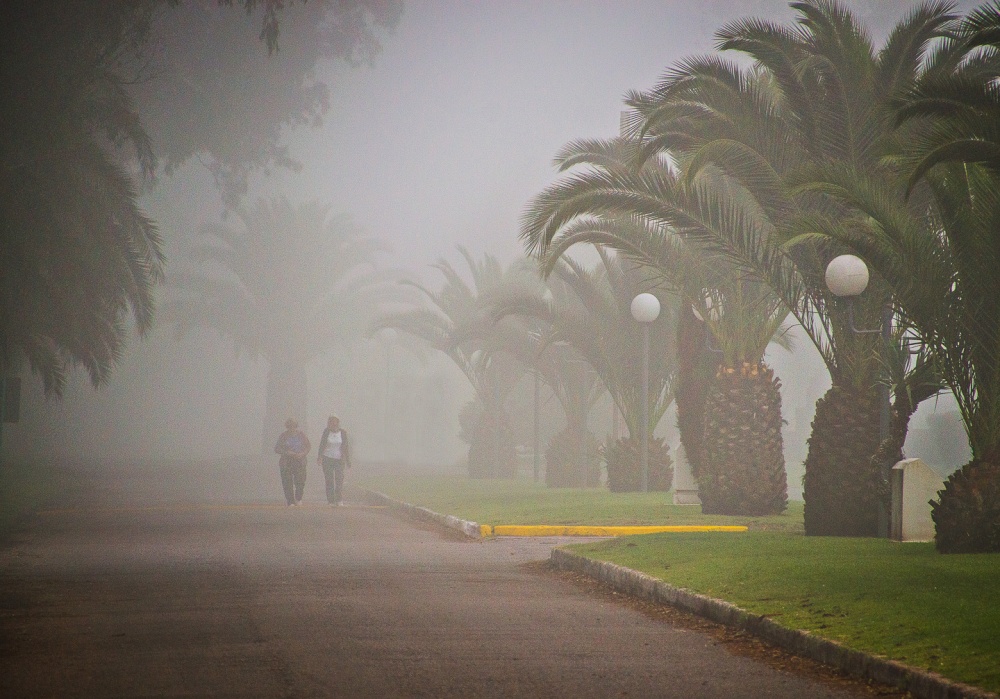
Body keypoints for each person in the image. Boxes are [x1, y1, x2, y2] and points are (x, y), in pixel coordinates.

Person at [317, 414, 351, 505]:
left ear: (338, 423)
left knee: (339, 479)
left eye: (335, 422)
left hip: (339, 459)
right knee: (329, 480)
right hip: (327, 458)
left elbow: (346, 446)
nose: (333, 424)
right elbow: (322, 444)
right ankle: (331, 500)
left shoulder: (343, 432)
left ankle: (339, 499)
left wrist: (348, 460)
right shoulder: (326, 432)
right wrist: (319, 457)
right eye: (331, 422)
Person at [275, 418, 310, 506]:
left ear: (296, 425)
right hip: (287, 462)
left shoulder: (301, 435)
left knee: (300, 481)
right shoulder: (283, 436)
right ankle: (290, 501)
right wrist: (287, 452)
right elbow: (277, 448)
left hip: (299, 461)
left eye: (293, 425)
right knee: (287, 482)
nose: (291, 427)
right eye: (289, 426)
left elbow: (308, 446)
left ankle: (298, 498)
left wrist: (302, 453)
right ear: (287, 426)